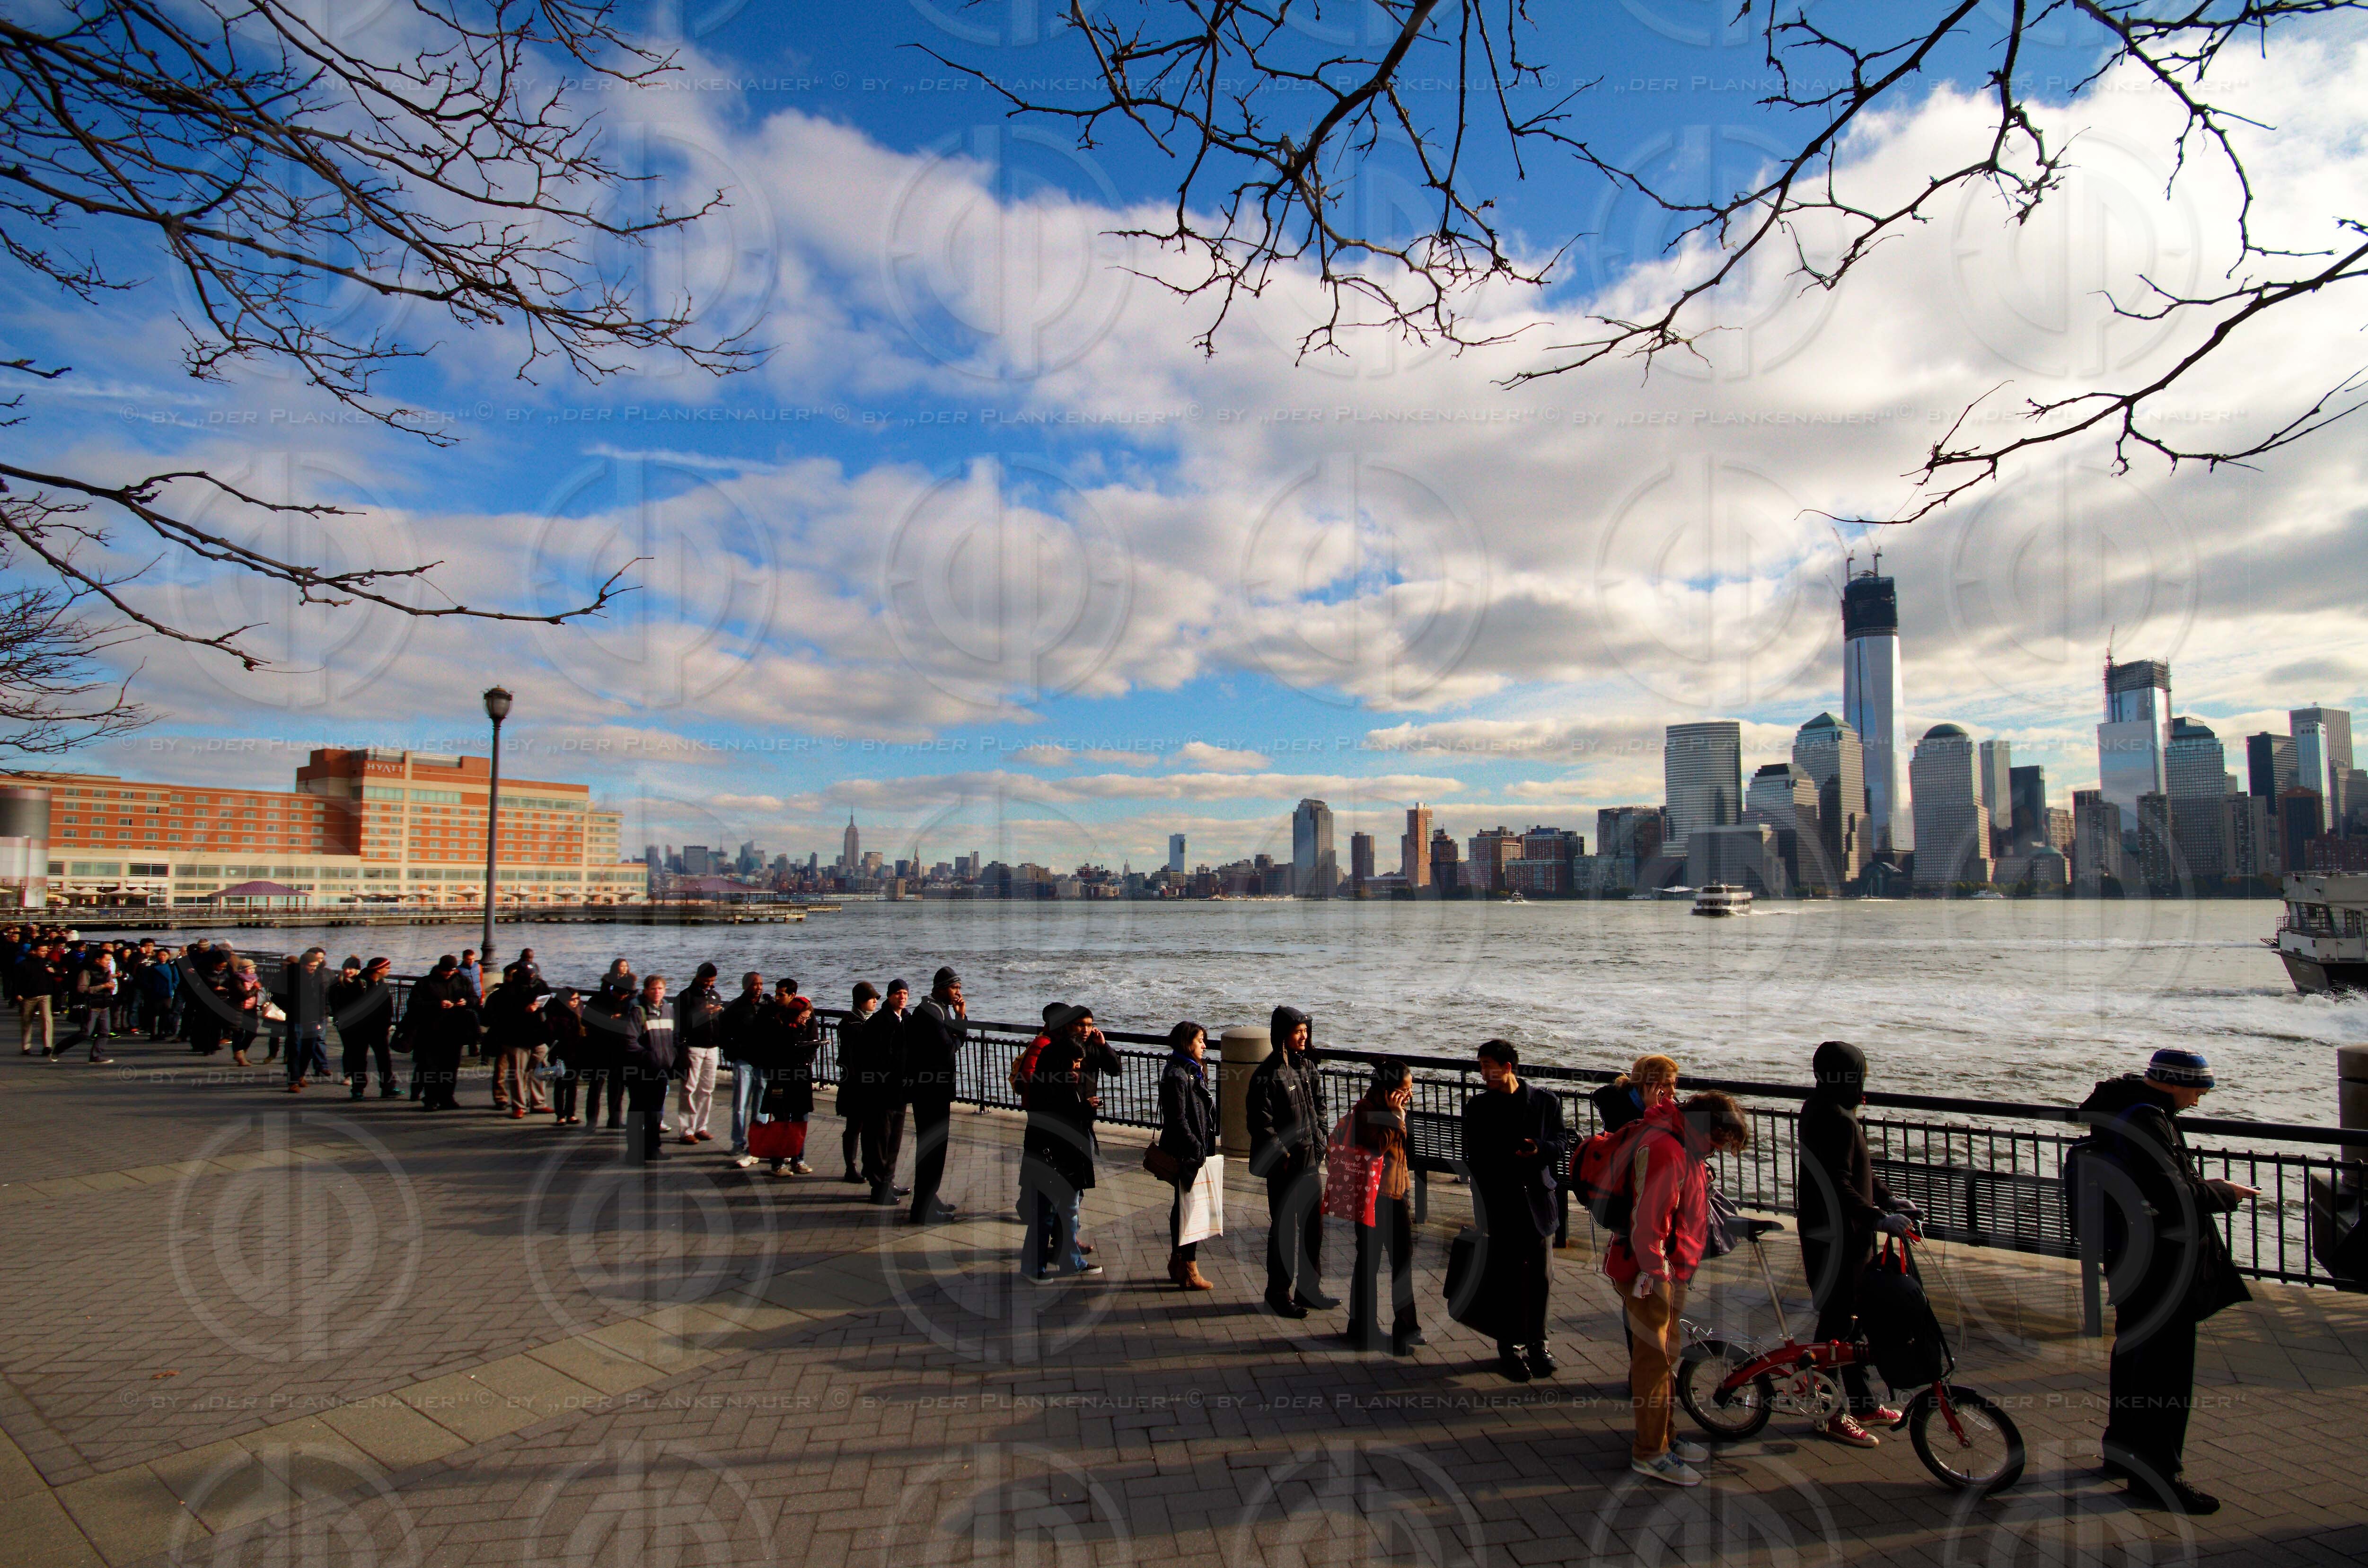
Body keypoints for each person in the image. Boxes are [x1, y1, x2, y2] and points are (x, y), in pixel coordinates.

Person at [2079, 1048, 2256, 1516]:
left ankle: (2121, 1450)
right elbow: (2172, 1191)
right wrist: (2225, 1192)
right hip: (2160, 1263)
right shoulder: (2146, 1119)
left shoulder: (2122, 1110)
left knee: (2135, 1352)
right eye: (2198, 1086)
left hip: (2132, 1256)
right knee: (2166, 1367)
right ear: (2172, 1082)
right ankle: (2156, 1474)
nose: (2201, 1096)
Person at [1609, 1089, 1752, 1488]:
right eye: (1719, 1141)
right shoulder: (1667, 1150)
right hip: (1651, 1273)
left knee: (1664, 1358)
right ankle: (1650, 1453)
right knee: (1653, 1364)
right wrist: (1658, 1274)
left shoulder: (1681, 1145)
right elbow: (1647, 1222)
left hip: (1668, 1270)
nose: (1719, 1149)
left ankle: (1664, 1438)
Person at [1797, 1040, 1915, 1447]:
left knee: (1853, 1322)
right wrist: (1879, 1217)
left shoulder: (1821, 1107)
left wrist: (1886, 1199)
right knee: (1837, 1327)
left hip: (1838, 1233)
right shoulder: (1834, 1117)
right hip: (1838, 1239)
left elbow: (1855, 1170)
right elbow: (1837, 1182)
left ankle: (1862, 1402)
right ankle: (1828, 1412)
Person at [1462, 1039, 1568, 1382]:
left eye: (1487, 1066)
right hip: (1501, 1202)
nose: (1482, 1073)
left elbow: (1562, 1142)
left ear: (1508, 1067)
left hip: (1539, 1202)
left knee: (1541, 1278)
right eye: (1480, 1066)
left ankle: (1538, 1343)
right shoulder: (1478, 1107)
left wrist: (1539, 1150)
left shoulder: (1545, 1101)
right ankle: (1509, 1347)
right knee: (1506, 1279)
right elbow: (1473, 1157)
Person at [1247, 1004, 1336, 1318]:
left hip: (1311, 1161)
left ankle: (1309, 1289)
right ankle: (1278, 1293)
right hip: (1285, 1167)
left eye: (1305, 1031)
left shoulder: (1308, 1068)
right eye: (1297, 1032)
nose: (1303, 1036)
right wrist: (1283, 1156)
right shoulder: (1267, 1074)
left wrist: (1321, 1142)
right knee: (1284, 1228)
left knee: (1314, 1227)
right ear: (1282, 1034)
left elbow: (1321, 1108)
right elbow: (1260, 1124)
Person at [1343, 1061, 1423, 1355]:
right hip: (1373, 1197)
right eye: (1405, 1090)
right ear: (1389, 1091)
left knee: (1402, 1261)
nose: (1410, 1095)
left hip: (1396, 1193)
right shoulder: (1366, 1109)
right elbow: (1376, 1147)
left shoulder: (1392, 1110)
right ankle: (1362, 1326)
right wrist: (1395, 1118)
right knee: (1369, 1261)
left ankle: (1406, 1327)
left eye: (1411, 1089)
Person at [1019, 1007, 1101, 1281]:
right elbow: (1058, 1119)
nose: (1078, 1068)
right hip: (1054, 1158)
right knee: (1049, 1213)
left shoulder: (1060, 1079)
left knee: (1066, 1212)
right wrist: (1085, 1109)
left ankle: (1069, 1261)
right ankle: (1036, 1267)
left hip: (1062, 1157)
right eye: (1074, 1063)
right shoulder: (1053, 1083)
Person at [1156, 1021, 1219, 1290]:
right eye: (1200, 1040)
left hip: (1194, 1149)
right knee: (1192, 1209)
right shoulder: (1177, 1075)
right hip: (1188, 1152)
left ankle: (1178, 1262)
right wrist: (1197, 1148)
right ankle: (1189, 1268)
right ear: (1187, 1043)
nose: (1204, 1046)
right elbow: (1178, 1119)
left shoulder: (1190, 1070)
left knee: (1184, 1207)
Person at [904, 967, 967, 1224]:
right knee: (933, 1150)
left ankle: (930, 1200)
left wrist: (956, 1020)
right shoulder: (931, 1013)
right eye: (955, 988)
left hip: (931, 1090)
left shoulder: (934, 1009)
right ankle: (922, 1210)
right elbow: (949, 1049)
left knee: (932, 1149)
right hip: (931, 1092)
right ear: (941, 988)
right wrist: (961, 1021)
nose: (958, 994)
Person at [746, 984, 820, 1176]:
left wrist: (806, 1059)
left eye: (808, 1017)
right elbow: (771, 1051)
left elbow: (813, 1045)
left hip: (801, 1077)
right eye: (803, 1016)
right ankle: (778, 1163)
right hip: (782, 1078)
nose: (806, 1020)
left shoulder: (807, 1025)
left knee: (800, 1120)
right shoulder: (777, 1025)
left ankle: (798, 1159)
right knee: (781, 1121)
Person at [854, 979, 911, 1205]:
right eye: (898, 993)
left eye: (905, 993)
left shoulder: (906, 1019)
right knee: (880, 1138)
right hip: (881, 1091)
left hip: (900, 1090)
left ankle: (888, 1180)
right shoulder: (879, 1023)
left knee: (894, 1139)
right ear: (889, 996)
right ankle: (879, 1187)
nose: (902, 997)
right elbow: (873, 1058)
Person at [482, 962, 553, 1118]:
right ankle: (519, 1106)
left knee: (541, 1070)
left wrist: (541, 1006)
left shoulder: (540, 985)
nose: (532, 981)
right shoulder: (507, 992)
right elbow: (502, 1016)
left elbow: (548, 1001)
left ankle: (539, 1103)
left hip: (538, 1036)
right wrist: (524, 1011)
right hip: (516, 1038)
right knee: (518, 1073)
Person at [404, 956, 473, 1110]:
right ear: (439, 968)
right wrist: (437, 1005)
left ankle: (447, 1098)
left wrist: (466, 1002)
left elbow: (474, 999)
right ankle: (431, 1099)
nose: (449, 973)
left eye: (452, 971)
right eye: (446, 971)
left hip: (455, 1032)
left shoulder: (462, 981)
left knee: (451, 1069)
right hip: (431, 1033)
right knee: (431, 1069)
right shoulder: (425, 983)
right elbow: (414, 1005)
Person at [621, 974, 678, 1162]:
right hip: (641, 1071)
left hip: (661, 1070)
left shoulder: (669, 1010)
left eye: (660, 989)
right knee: (638, 1111)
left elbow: (673, 1038)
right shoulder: (639, 1011)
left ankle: (653, 1149)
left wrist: (674, 1057)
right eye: (653, 989)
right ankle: (635, 1153)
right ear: (646, 991)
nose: (657, 992)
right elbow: (630, 1041)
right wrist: (648, 1056)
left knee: (655, 1112)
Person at [719, 971, 768, 1166]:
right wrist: (734, 1052)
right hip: (744, 1061)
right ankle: (738, 1141)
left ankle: (758, 1142)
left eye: (761, 984)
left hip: (762, 1062)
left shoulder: (766, 1007)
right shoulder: (734, 1008)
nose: (758, 987)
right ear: (745, 986)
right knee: (739, 1104)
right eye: (754, 984)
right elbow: (723, 1035)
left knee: (761, 1106)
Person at [673, 962, 725, 1144]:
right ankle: (686, 1130)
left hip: (712, 1047)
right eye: (706, 980)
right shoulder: (685, 997)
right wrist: (701, 1013)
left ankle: (701, 1127)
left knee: (707, 1089)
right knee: (689, 1088)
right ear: (697, 977)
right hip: (693, 1046)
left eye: (712, 981)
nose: (708, 984)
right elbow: (680, 1024)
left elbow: (718, 1022)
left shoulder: (714, 995)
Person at [332, 957, 399, 1099]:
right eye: (387, 967)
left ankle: (388, 1088)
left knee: (385, 1060)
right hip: (360, 1031)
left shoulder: (381, 983)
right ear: (378, 970)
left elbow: (387, 1008)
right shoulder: (359, 985)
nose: (389, 970)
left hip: (379, 1030)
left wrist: (387, 1025)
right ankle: (358, 1089)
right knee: (359, 1060)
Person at [837, 981, 880, 1181]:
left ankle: (868, 1166)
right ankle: (850, 1167)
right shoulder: (849, 1023)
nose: (875, 1002)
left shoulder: (873, 1021)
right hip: (855, 1084)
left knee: (869, 1128)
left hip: (871, 1083)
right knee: (854, 1126)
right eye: (872, 998)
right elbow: (849, 1056)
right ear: (861, 1001)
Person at [283, 948, 333, 1091]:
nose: (313, 969)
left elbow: (324, 998)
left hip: (313, 1019)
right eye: (311, 966)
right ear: (303, 965)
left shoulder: (319, 977)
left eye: (315, 966)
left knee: (308, 1050)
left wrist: (321, 1016)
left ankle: (300, 1075)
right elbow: (279, 996)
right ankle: (293, 1082)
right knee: (295, 1049)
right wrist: (289, 1009)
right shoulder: (291, 977)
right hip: (296, 1019)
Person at [546, 988, 588, 1123]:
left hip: (577, 1054)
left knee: (573, 1085)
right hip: (560, 1055)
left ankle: (571, 1113)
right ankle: (560, 1115)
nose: (576, 1002)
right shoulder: (556, 1015)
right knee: (560, 1085)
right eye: (572, 1000)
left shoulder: (580, 1012)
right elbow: (549, 1035)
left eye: (577, 999)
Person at [70, 948, 118, 1064]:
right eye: (106, 960)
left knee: (105, 1032)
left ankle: (96, 1056)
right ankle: (61, 1047)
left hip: (105, 1005)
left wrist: (110, 987)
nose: (108, 962)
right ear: (97, 960)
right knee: (86, 1033)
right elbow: (82, 989)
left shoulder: (107, 971)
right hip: (92, 1006)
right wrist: (103, 987)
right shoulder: (86, 972)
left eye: (110, 960)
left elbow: (109, 985)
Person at [13, 939, 56, 1058]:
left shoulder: (48, 962)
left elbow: (57, 975)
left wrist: (53, 972)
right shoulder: (23, 964)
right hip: (28, 996)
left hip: (45, 994)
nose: (45, 953)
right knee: (27, 1021)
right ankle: (26, 1046)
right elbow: (17, 980)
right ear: (34, 951)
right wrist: (18, 993)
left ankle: (47, 1046)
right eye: (42, 951)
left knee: (47, 1019)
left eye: (46, 950)